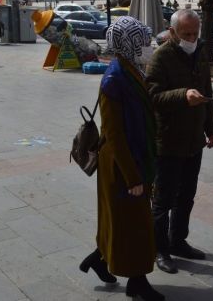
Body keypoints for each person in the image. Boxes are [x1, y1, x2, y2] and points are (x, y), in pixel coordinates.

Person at [78, 16, 164, 301]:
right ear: (128, 43)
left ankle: (100, 259)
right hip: (123, 167)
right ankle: (137, 282)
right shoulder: (115, 79)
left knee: (121, 221)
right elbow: (114, 135)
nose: (149, 46)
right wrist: (133, 177)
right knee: (136, 224)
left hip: (133, 160)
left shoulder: (130, 70)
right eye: (143, 41)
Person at [145, 9, 213, 274]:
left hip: (193, 140)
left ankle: (178, 241)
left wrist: (211, 128)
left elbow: (207, 93)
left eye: (195, 33)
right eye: (186, 33)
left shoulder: (199, 54)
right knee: (163, 200)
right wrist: (182, 95)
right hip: (168, 140)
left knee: (186, 197)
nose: (191, 38)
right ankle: (160, 249)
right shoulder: (161, 57)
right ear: (173, 32)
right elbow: (151, 96)